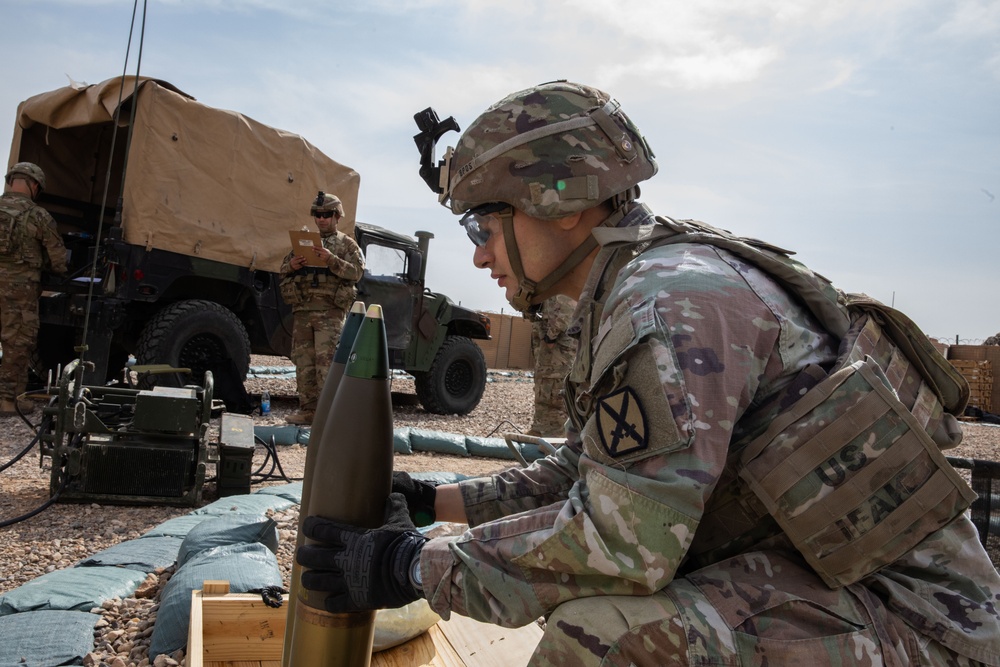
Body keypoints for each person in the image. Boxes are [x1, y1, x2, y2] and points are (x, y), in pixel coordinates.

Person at [296, 82, 1000, 665]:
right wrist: (431, 502)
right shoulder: (642, 280)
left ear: (558, 204)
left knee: (604, 638)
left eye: (484, 225)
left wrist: (411, 567)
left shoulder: (665, 302)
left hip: (925, 631)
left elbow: (619, 547)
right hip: (834, 586)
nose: (480, 256)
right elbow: (586, 472)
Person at [279, 192, 364, 425]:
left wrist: (331, 260)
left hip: (330, 312)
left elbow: (356, 273)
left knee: (325, 364)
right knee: (304, 362)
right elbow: (283, 269)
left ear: (337, 216)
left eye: (326, 214)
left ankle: (328, 414)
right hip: (304, 309)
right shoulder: (304, 242)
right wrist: (292, 264)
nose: (321, 219)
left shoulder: (347, 244)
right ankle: (308, 410)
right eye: (317, 215)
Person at [0, 162, 67, 417]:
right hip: (20, 289)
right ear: (35, 185)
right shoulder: (38, 216)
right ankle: (7, 400)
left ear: (10, 180)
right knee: (17, 342)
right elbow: (59, 260)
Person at [526, 294, 577, 436]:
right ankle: (540, 428)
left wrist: (552, 334)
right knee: (543, 385)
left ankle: (555, 435)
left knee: (555, 390)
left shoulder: (562, 276)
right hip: (547, 338)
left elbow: (568, 306)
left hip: (558, 344)